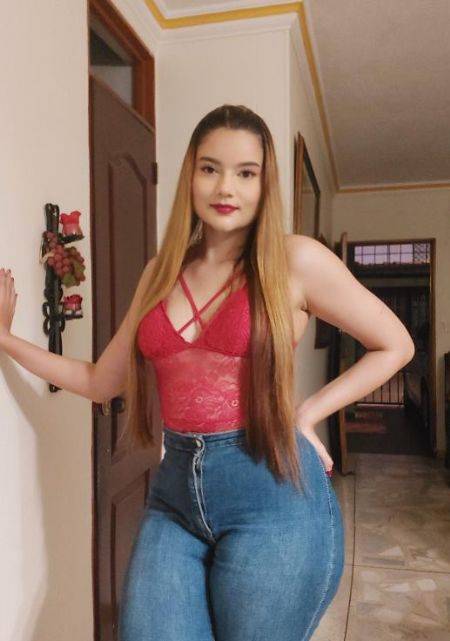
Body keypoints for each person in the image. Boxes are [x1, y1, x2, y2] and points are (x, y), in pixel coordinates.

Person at [0, 104, 415, 641]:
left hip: (272, 494)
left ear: (265, 184)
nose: (226, 187)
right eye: (210, 168)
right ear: (190, 175)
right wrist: (6, 338)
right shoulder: (160, 271)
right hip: (175, 493)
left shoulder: (296, 261)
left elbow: (394, 344)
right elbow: (102, 380)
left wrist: (307, 413)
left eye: (246, 173)